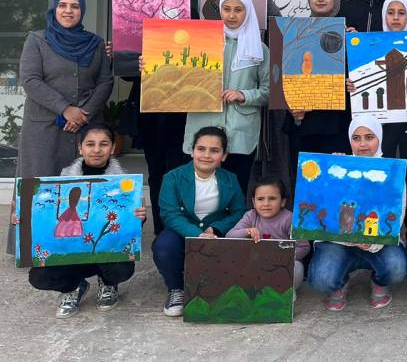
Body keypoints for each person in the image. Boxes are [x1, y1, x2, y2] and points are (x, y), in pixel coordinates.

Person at [17, 124, 146, 317]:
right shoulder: (62, 180)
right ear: (80, 148)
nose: (96, 150)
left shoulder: (126, 184)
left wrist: (140, 217)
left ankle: (108, 283)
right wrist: (23, 216)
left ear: (112, 148)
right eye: (90, 144)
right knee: (39, 276)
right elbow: (45, 217)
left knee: (122, 268)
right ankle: (72, 287)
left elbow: (127, 231)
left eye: (103, 144)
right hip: (71, 251)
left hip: (105, 252)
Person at [307, 115, 407, 311]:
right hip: (337, 242)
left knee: (396, 268)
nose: (362, 144)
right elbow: (321, 209)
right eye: (356, 138)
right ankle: (340, 282)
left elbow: (396, 217)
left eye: (369, 137)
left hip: (377, 241)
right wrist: (329, 172)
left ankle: (379, 282)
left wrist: (371, 243)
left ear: (380, 138)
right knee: (322, 279)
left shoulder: (393, 172)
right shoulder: (338, 166)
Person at [15, 0, 114, 180]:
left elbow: (105, 82)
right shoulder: (37, 40)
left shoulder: (96, 44)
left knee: (83, 186)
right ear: (55, 9)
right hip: (44, 129)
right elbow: (30, 80)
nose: (68, 11)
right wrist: (65, 109)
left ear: (82, 10)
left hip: (84, 128)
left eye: (75, 6)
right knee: (39, 186)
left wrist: (84, 114)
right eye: (62, 5)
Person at [182, 0, 269, 198]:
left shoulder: (259, 49)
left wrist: (244, 95)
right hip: (203, 129)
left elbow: (269, 91)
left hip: (240, 133)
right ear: (219, 11)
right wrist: (150, 66)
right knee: (201, 193)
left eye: (238, 10)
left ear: (247, 12)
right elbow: (176, 78)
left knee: (235, 193)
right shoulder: (199, 43)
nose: (231, 15)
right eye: (226, 9)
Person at [153, 126, 247, 316]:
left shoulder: (230, 179)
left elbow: (239, 212)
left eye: (214, 150)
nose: (206, 155)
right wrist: (197, 234)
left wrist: (216, 229)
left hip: (216, 235)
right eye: (201, 149)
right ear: (192, 151)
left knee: (241, 243)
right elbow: (170, 214)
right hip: (182, 232)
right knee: (163, 246)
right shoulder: (172, 177)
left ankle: (221, 288)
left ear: (224, 155)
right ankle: (176, 289)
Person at [128, 0, 189, 235]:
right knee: (155, 172)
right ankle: (161, 230)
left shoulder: (189, 18)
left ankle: (176, 229)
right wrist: (131, 61)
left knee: (176, 170)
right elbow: (127, 74)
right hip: (150, 111)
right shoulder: (134, 20)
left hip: (179, 109)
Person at [371, 0, 407, 249]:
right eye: (391, 12)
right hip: (382, 122)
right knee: (382, 176)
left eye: (401, 13)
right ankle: (382, 232)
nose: (395, 17)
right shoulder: (371, 45)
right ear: (384, 16)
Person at [283, 0, 351, 174]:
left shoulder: (349, 34)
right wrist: (291, 108)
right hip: (304, 122)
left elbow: (357, 75)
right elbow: (284, 75)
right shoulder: (294, 32)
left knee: (334, 179)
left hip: (337, 123)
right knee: (305, 180)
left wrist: (353, 44)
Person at [226, 176, 309, 289]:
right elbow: (230, 235)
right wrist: (247, 231)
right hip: (256, 262)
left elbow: (304, 247)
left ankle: (286, 292)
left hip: (282, 264)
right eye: (260, 199)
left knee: (297, 268)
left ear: (283, 202)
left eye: (272, 198)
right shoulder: (251, 215)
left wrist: (282, 258)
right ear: (253, 202)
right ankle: (253, 289)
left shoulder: (289, 219)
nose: (266, 203)